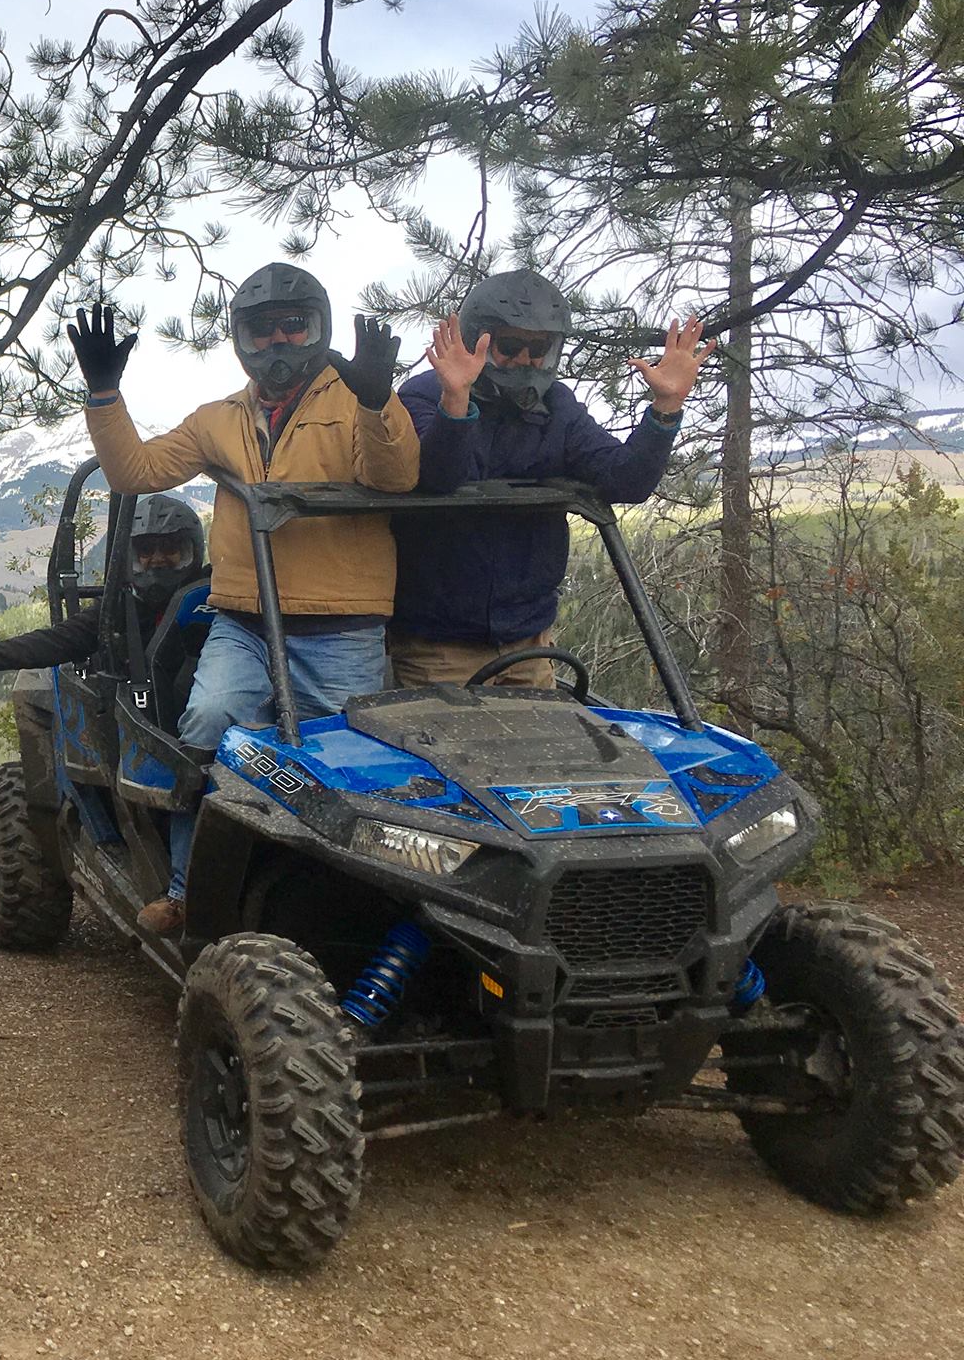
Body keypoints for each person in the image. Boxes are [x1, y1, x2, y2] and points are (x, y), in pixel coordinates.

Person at [73, 262, 420, 932]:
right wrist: (105, 395)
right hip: (244, 620)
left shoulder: (355, 402)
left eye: (296, 327)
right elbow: (134, 471)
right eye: (263, 331)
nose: (280, 343)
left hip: (339, 627)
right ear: (241, 339)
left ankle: (352, 912)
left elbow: (394, 477)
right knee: (207, 725)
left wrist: (379, 402)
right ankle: (185, 890)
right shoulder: (219, 419)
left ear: (319, 329)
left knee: (341, 767)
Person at [389, 269, 715, 688]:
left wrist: (665, 407)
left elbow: (626, 479)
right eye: (510, 346)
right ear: (478, 340)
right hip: (438, 645)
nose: (525, 360)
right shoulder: (422, 397)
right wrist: (456, 401)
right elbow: (441, 478)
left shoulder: (556, 407)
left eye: (539, 347)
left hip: (529, 640)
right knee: (441, 752)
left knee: (545, 753)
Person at [0, 494, 206, 678]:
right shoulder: (120, 608)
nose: (157, 561)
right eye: (146, 551)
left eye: (171, 549)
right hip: (138, 727)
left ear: (192, 551)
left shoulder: (215, 597)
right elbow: (58, 641)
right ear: (129, 557)